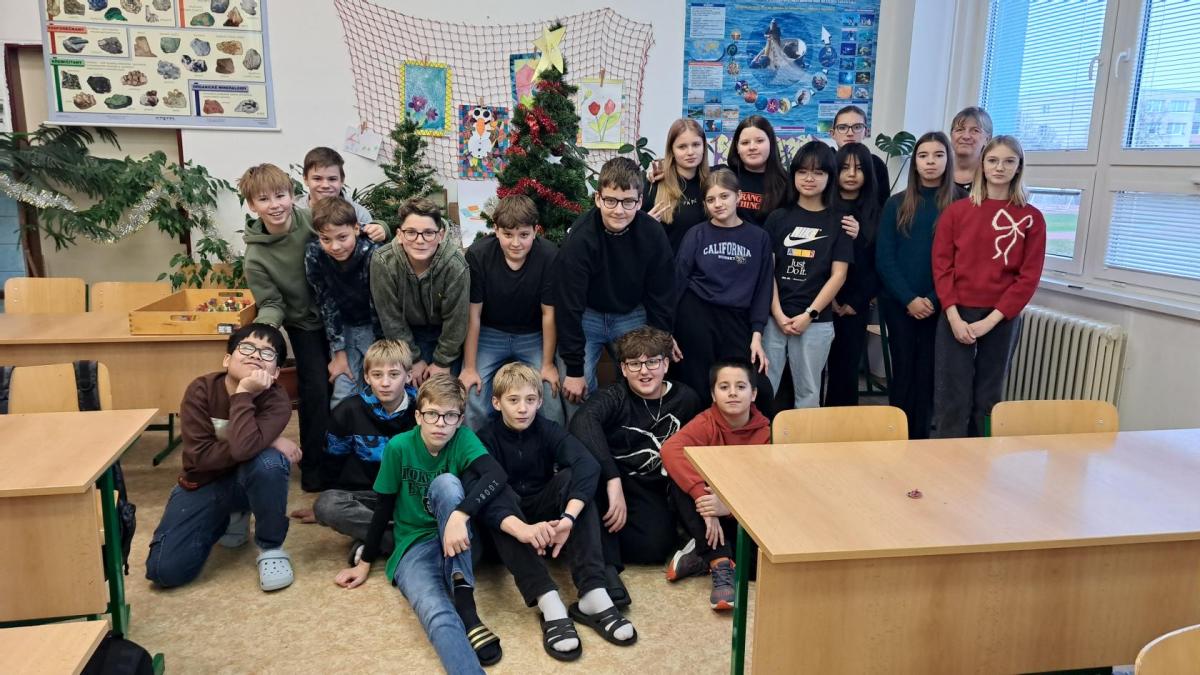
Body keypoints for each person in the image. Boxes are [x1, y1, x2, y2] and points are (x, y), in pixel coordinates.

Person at [334, 374, 510, 672]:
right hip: (413, 545)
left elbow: (496, 475)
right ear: (418, 416)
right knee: (436, 613)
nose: (440, 423)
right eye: (432, 414)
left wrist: (459, 515)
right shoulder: (399, 447)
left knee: (446, 483)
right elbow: (383, 508)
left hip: (457, 538)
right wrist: (365, 563)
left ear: (460, 420)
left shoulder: (463, 439)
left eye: (449, 416)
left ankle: (466, 608)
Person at [477, 363, 636, 661]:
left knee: (573, 479)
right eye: (513, 400)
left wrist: (568, 518)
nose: (522, 408)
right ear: (497, 403)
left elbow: (587, 464)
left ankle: (593, 593)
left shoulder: (547, 429)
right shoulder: (484, 438)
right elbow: (481, 494)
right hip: (509, 526)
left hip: (546, 516)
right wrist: (524, 530)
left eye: (530, 400)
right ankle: (548, 600)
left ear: (540, 401)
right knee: (496, 489)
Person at [145, 323, 300, 591]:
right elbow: (200, 457)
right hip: (204, 481)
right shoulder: (201, 390)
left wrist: (243, 395)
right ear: (227, 359)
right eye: (247, 348)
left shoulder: (276, 400)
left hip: (249, 479)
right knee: (164, 571)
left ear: (275, 373)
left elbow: (243, 450)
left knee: (270, 463)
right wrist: (267, 439)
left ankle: (270, 548)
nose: (255, 355)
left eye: (267, 353)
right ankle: (227, 517)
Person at [569, 326, 703, 606]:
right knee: (586, 482)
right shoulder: (615, 396)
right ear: (623, 368)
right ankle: (606, 572)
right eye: (634, 364)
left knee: (653, 549)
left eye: (652, 362)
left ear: (665, 364)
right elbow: (582, 421)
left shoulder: (686, 398)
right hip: (612, 481)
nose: (644, 371)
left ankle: (597, 543)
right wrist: (612, 479)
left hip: (652, 487)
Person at [931, 136, 1046, 438]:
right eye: (993, 160)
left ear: (1019, 167)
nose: (1000, 167)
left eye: (1009, 161)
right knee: (952, 395)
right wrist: (954, 316)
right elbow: (942, 267)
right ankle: (948, 456)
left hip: (1001, 317)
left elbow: (1028, 277)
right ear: (982, 164)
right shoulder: (956, 212)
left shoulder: (1031, 218)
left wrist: (991, 321)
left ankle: (982, 456)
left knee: (988, 396)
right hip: (957, 313)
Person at [554, 157, 676, 406]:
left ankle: (632, 426)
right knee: (576, 387)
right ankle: (585, 431)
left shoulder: (652, 234)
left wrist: (661, 342)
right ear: (598, 198)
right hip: (587, 315)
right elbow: (569, 306)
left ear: (639, 202)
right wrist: (575, 370)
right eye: (611, 200)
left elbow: (663, 294)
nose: (619, 210)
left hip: (631, 314)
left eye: (628, 201)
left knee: (645, 376)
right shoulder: (580, 239)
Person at [240, 163, 328, 492]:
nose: (275, 205)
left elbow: (351, 231)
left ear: (293, 195)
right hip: (303, 325)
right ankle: (314, 466)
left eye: (280, 195)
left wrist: (379, 227)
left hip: (342, 317)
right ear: (252, 205)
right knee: (315, 390)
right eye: (264, 199)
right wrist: (263, 331)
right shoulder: (255, 258)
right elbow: (272, 303)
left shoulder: (313, 221)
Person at [661, 360, 770, 611]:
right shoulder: (705, 422)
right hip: (706, 512)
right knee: (679, 481)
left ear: (753, 394)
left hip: (742, 513)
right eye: (724, 387)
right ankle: (719, 562)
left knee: (759, 568)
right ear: (713, 394)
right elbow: (669, 450)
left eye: (740, 386)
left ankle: (701, 555)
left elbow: (763, 490)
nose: (732, 393)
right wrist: (704, 499)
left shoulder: (766, 433)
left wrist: (729, 507)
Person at [296, 340, 417, 565]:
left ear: (408, 376)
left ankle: (370, 540)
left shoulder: (423, 411)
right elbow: (333, 460)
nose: (385, 383)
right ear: (367, 377)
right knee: (326, 505)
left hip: (410, 496)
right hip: (367, 497)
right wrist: (325, 512)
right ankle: (401, 540)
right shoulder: (347, 411)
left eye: (394, 374)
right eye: (377, 375)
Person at [876, 131, 964, 439]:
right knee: (903, 372)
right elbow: (885, 257)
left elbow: (962, 260)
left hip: (941, 305)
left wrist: (934, 299)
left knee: (929, 374)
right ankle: (896, 435)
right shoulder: (896, 203)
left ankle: (920, 439)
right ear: (915, 162)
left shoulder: (962, 204)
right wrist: (909, 299)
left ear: (948, 160)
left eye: (938, 155)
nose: (930, 162)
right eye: (923, 156)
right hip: (899, 304)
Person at [762, 142, 853, 409]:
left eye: (818, 172)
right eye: (802, 172)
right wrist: (778, 314)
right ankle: (761, 436)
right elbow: (767, 271)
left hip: (816, 322)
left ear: (830, 177)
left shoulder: (840, 221)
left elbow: (839, 275)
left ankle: (806, 439)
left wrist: (809, 314)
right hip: (774, 319)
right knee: (765, 388)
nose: (809, 178)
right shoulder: (778, 218)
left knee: (809, 392)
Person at [672, 168, 773, 407]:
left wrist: (757, 335)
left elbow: (763, 288)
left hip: (737, 320)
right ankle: (699, 431)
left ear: (739, 196)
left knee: (752, 387)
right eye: (710, 199)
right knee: (698, 385)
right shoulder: (696, 234)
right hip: (696, 315)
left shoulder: (759, 237)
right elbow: (677, 282)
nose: (717, 204)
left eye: (724, 196)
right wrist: (668, 330)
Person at [460, 194, 562, 430]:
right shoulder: (479, 255)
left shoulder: (548, 256)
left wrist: (547, 364)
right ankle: (478, 450)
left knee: (550, 394)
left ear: (535, 231)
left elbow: (548, 314)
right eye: (508, 234)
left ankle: (553, 450)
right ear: (496, 230)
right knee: (474, 394)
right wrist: (470, 367)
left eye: (524, 235)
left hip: (532, 335)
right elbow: (473, 315)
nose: (516, 243)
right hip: (489, 334)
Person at [370, 197, 470, 387]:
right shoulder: (383, 261)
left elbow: (456, 320)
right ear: (399, 234)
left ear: (440, 235)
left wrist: (442, 362)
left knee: (444, 392)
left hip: (444, 338)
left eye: (428, 233)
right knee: (403, 388)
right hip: (402, 335)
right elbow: (391, 318)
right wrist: (413, 359)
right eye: (411, 232)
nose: (420, 240)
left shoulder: (455, 266)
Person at [304, 196, 382, 410]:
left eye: (342, 237)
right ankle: (341, 431)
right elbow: (326, 303)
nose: (335, 246)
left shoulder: (374, 252)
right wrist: (338, 352)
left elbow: (381, 304)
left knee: (379, 388)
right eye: (326, 239)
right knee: (343, 387)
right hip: (342, 329)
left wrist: (382, 347)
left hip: (375, 328)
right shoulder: (314, 254)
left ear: (356, 228)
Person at [823, 142, 882, 407]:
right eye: (845, 167)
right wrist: (831, 299)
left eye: (858, 168)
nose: (851, 174)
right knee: (814, 370)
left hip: (855, 305)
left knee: (846, 371)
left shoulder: (876, 212)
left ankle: (843, 423)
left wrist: (856, 301)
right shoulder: (824, 207)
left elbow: (877, 263)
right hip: (822, 301)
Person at [642, 118, 711, 255]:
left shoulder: (713, 182)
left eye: (696, 144)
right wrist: (642, 224)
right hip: (666, 266)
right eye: (682, 147)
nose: (690, 152)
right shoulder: (654, 184)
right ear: (672, 150)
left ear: (704, 147)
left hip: (704, 267)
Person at [296, 146, 388, 242]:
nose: (325, 185)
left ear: (342, 180)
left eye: (332, 179)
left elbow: (372, 245)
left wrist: (381, 230)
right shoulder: (294, 213)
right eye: (317, 179)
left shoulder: (359, 214)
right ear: (305, 179)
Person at [724, 115, 793, 223]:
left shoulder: (788, 183)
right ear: (737, 147)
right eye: (745, 143)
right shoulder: (725, 179)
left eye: (759, 141)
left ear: (771, 143)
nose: (752, 147)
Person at [829, 105, 890, 206]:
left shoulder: (876, 164)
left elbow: (883, 205)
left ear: (866, 132)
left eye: (857, 127)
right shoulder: (824, 160)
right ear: (832, 133)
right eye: (842, 128)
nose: (850, 133)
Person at [949, 107, 993, 192]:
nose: (966, 136)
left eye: (975, 131)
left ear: (987, 139)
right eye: (960, 130)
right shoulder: (938, 171)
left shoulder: (994, 177)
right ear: (951, 135)